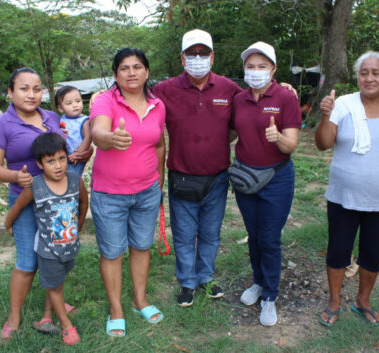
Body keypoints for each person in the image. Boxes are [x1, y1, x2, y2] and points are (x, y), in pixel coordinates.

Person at [0, 67, 90, 342]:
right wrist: (15, 176)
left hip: (58, 201)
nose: (31, 94)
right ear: (10, 92)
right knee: (28, 262)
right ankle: (15, 316)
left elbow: (66, 145)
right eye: (23, 88)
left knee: (56, 252)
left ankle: (53, 305)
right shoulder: (0, 125)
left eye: (36, 88)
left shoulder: (53, 117)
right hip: (27, 198)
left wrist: (81, 152)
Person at [315, 51, 379, 326]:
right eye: (364, 73)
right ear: (357, 77)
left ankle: (363, 301)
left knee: (372, 253)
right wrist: (325, 116)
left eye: (375, 73)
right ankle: (335, 301)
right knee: (338, 250)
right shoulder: (344, 105)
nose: (369, 78)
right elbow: (323, 144)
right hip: (343, 197)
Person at [152, 29, 243, 307]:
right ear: (182, 58)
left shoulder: (229, 88)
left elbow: (255, 103)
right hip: (182, 176)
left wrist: (283, 89)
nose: (198, 58)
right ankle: (187, 283)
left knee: (211, 233)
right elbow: (135, 102)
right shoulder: (164, 90)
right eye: (192, 53)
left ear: (213, 56)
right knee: (183, 235)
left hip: (216, 177)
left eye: (203, 53)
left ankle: (205, 277)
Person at [89, 48, 165, 337]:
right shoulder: (105, 102)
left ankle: (139, 299)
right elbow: (98, 132)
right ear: (115, 74)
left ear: (146, 71)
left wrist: (160, 183)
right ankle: (116, 308)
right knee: (111, 252)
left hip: (147, 190)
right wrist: (110, 138)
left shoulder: (158, 104)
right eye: (124, 68)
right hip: (109, 193)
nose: (131, 72)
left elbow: (158, 144)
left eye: (137, 67)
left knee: (142, 246)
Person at [231, 42, 301, 326]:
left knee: (270, 237)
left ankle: (270, 295)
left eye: (262, 66)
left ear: (273, 69)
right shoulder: (238, 99)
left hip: (277, 177)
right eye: (250, 66)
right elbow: (230, 133)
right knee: (254, 233)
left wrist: (278, 138)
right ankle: (258, 282)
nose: (255, 71)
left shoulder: (286, 98)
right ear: (244, 70)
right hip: (246, 178)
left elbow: (291, 145)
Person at [4, 133, 88, 345]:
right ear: (39, 164)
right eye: (50, 161)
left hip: (69, 246)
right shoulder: (35, 186)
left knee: (57, 281)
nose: (58, 165)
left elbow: (83, 203)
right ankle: (66, 325)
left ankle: (47, 316)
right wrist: (8, 224)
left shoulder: (75, 181)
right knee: (54, 287)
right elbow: (17, 207)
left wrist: (78, 228)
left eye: (61, 158)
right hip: (48, 250)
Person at [55, 86, 92, 176]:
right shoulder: (61, 119)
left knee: (73, 178)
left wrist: (78, 153)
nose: (75, 105)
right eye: (69, 103)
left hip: (76, 157)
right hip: (63, 156)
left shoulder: (84, 120)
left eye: (78, 101)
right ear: (60, 108)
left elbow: (88, 137)